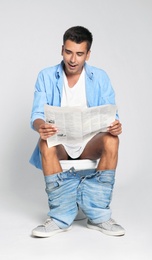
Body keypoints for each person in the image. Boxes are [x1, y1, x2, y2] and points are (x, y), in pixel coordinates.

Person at [30, 26, 125, 238]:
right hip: (62, 144)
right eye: (69, 52)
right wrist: (40, 126)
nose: (73, 59)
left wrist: (116, 125)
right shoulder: (46, 76)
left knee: (112, 140)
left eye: (80, 54)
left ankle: (99, 215)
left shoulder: (100, 78)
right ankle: (60, 215)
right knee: (44, 142)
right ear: (62, 49)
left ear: (88, 54)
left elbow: (112, 114)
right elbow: (36, 114)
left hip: (89, 143)